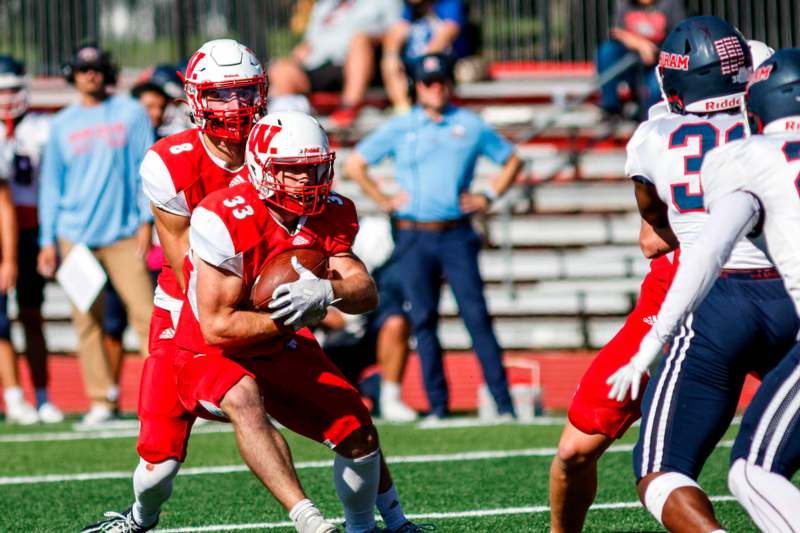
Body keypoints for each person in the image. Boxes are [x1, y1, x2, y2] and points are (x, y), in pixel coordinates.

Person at [81, 40, 340, 533]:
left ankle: (382, 516)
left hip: (263, 302)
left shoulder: (283, 144)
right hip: (188, 309)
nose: (236, 107)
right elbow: (184, 265)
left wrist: (315, 286)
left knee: (345, 413)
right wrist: (240, 316)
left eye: (245, 93)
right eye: (221, 94)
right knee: (158, 463)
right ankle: (140, 517)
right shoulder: (168, 161)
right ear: (196, 98)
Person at [548, 38, 777, 533]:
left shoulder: (661, 127)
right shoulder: (736, 114)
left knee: (657, 468)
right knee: (576, 449)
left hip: (736, 283)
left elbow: (651, 233)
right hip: (699, 288)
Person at [172, 110, 414, 533]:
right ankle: (309, 520)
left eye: (315, 168)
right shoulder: (221, 216)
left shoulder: (330, 212)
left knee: (358, 433)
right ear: (263, 169)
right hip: (211, 351)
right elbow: (216, 326)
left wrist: (328, 292)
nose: (308, 180)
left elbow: (364, 289)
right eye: (293, 171)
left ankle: (365, 528)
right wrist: (293, 319)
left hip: (279, 345)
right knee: (238, 402)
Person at [607, 17, 798, 532]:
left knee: (661, 470)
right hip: (789, 293)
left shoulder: (652, 136)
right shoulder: (765, 117)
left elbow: (654, 224)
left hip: (715, 303)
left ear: (672, 82)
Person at [346, 53, 521, 421]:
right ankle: (438, 406)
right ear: (417, 87)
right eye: (429, 82)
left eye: (441, 80)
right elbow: (355, 164)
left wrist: (487, 196)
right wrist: (383, 199)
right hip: (413, 235)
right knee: (423, 320)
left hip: (456, 233)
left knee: (476, 316)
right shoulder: (402, 126)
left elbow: (512, 160)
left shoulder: (469, 125)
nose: (436, 87)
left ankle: (503, 404)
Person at [37, 44, 155, 425]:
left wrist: (145, 222)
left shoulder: (131, 113)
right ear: (73, 74)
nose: (90, 73)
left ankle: (170, 397)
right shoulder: (62, 124)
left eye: (97, 67)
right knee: (86, 322)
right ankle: (101, 401)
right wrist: (47, 240)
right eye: (83, 68)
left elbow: (145, 169)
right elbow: (51, 186)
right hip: (75, 237)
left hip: (122, 234)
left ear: (108, 71)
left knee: (147, 316)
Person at [99, 63, 185, 395]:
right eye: (148, 106)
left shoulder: (173, 144)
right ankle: (109, 393)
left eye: (160, 106)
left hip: (165, 246)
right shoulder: (122, 142)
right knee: (114, 320)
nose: (154, 112)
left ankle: (179, 390)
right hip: (127, 240)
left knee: (165, 321)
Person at [0, 55, 62, 424]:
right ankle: (14, 396)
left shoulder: (44, 127)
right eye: (1, 92)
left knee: (31, 314)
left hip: (33, 230)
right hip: (5, 230)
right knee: (2, 323)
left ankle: (42, 394)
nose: (7, 98)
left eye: (12, 90)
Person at [320, 215, 417, 422]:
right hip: (316, 338)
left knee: (396, 322)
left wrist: (339, 314)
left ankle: (389, 397)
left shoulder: (374, 236)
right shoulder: (283, 236)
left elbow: (361, 289)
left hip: (360, 327)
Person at [268, 0, 402, 128]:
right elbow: (309, 43)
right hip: (319, 62)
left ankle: (348, 109)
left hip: (360, 62)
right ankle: (286, 124)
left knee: (360, 41)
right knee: (281, 70)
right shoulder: (325, 5)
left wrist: (371, 40)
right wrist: (294, 59)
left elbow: (396, 31)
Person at [597, 0, 685, 119]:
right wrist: (640, 44)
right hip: (630, 58)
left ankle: (648, 121)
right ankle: (610, 108)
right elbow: (617, 32)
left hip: (659, 61)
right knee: (607, 51)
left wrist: (655, 51)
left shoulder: (671, 3)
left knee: (655, 87)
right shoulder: (624, 3)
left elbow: (679, 36)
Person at [381, 0, 468, 113]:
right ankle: (404, 112)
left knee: (430, 68)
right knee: (389, 62)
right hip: (414, 65)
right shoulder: (409, 9)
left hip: (440, 61)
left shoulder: (448, 4)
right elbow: (394, 36)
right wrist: (391, 55)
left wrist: (422, 62)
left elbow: (448, 33)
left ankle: (433, 113)